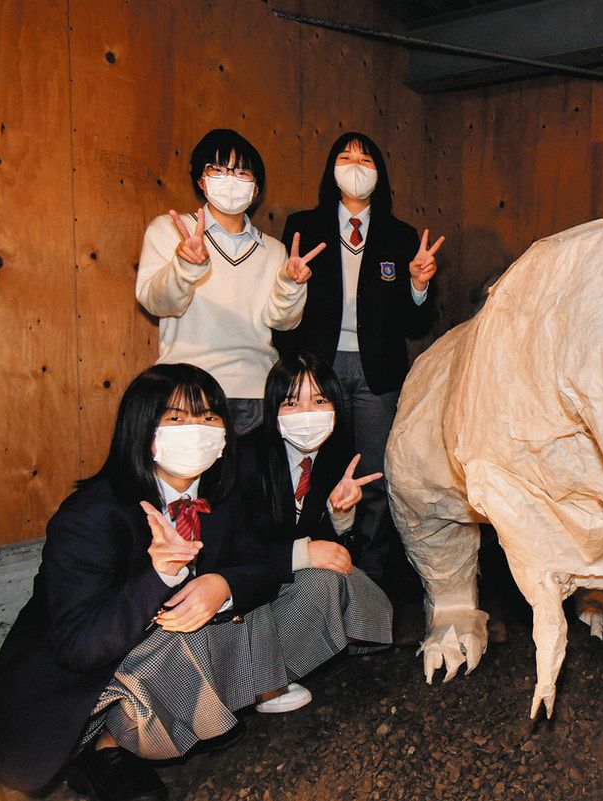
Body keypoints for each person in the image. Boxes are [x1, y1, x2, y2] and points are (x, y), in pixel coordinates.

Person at [0, 364, 286, 799]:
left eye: (209, 417)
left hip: (152, 652)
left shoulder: (221, 496)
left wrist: (222, 586)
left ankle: (175, 719)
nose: (197, 429)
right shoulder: (90, 516)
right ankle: (99, 748)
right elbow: (78, 645)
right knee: (187, 636)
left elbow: (261, 563)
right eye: (176, 417)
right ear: (142, 429)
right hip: (75, 682)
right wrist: (158, 575)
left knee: (291, 595)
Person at [276, 131, 441, 585]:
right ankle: (316, 570)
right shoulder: (302, 227)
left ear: (379, 172)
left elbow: (415, 324)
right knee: (319, 469)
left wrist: (419, 284)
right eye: (346, 156)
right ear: (331, 168)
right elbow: (282, 312)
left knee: (371, 478)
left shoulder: (401, 235)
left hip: (377, 373)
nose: (356, 164)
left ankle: (369, 575)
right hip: (315, 372)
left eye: (366, 158)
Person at [135, 128, 325, 438]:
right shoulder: (171, 230)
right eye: (218, 169)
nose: (230, 179)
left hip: (258, 392)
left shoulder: (274, 249)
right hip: (189, 392)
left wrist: (291, 283)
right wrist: (185, 264)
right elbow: (158, 302)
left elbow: (284, 322)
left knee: (253, 486)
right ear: (201, 179)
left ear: (255, 188)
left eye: (241, 171)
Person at [250, 352, 394, 713]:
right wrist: (302, 553)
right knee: (324, 582)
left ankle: (311, 641)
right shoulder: (248, 458)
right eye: (291, 402)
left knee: (372, 604)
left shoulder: (332, 457)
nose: (307, 413)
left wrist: (341, 516)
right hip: (250, 588)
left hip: (288, 581)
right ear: (272, 409)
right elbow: (236, 550)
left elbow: (340, 547)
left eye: (318, 400)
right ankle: (261, 682)